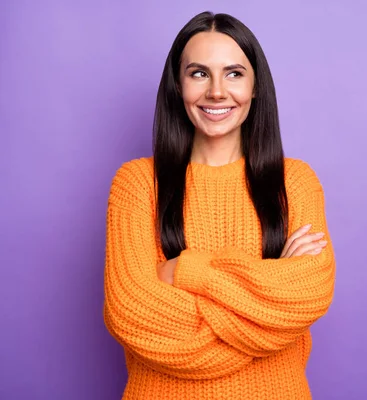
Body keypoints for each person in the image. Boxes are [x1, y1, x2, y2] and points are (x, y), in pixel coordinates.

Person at [102, 11, 336, 400]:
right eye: (198, 73)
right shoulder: (138, 183)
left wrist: (186, 271)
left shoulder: (294, 182)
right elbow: (131, 312)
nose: (216, 92)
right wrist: (268, 298)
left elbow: (308, 294)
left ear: (255, 86)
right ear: (178, 86)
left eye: (233, 73)